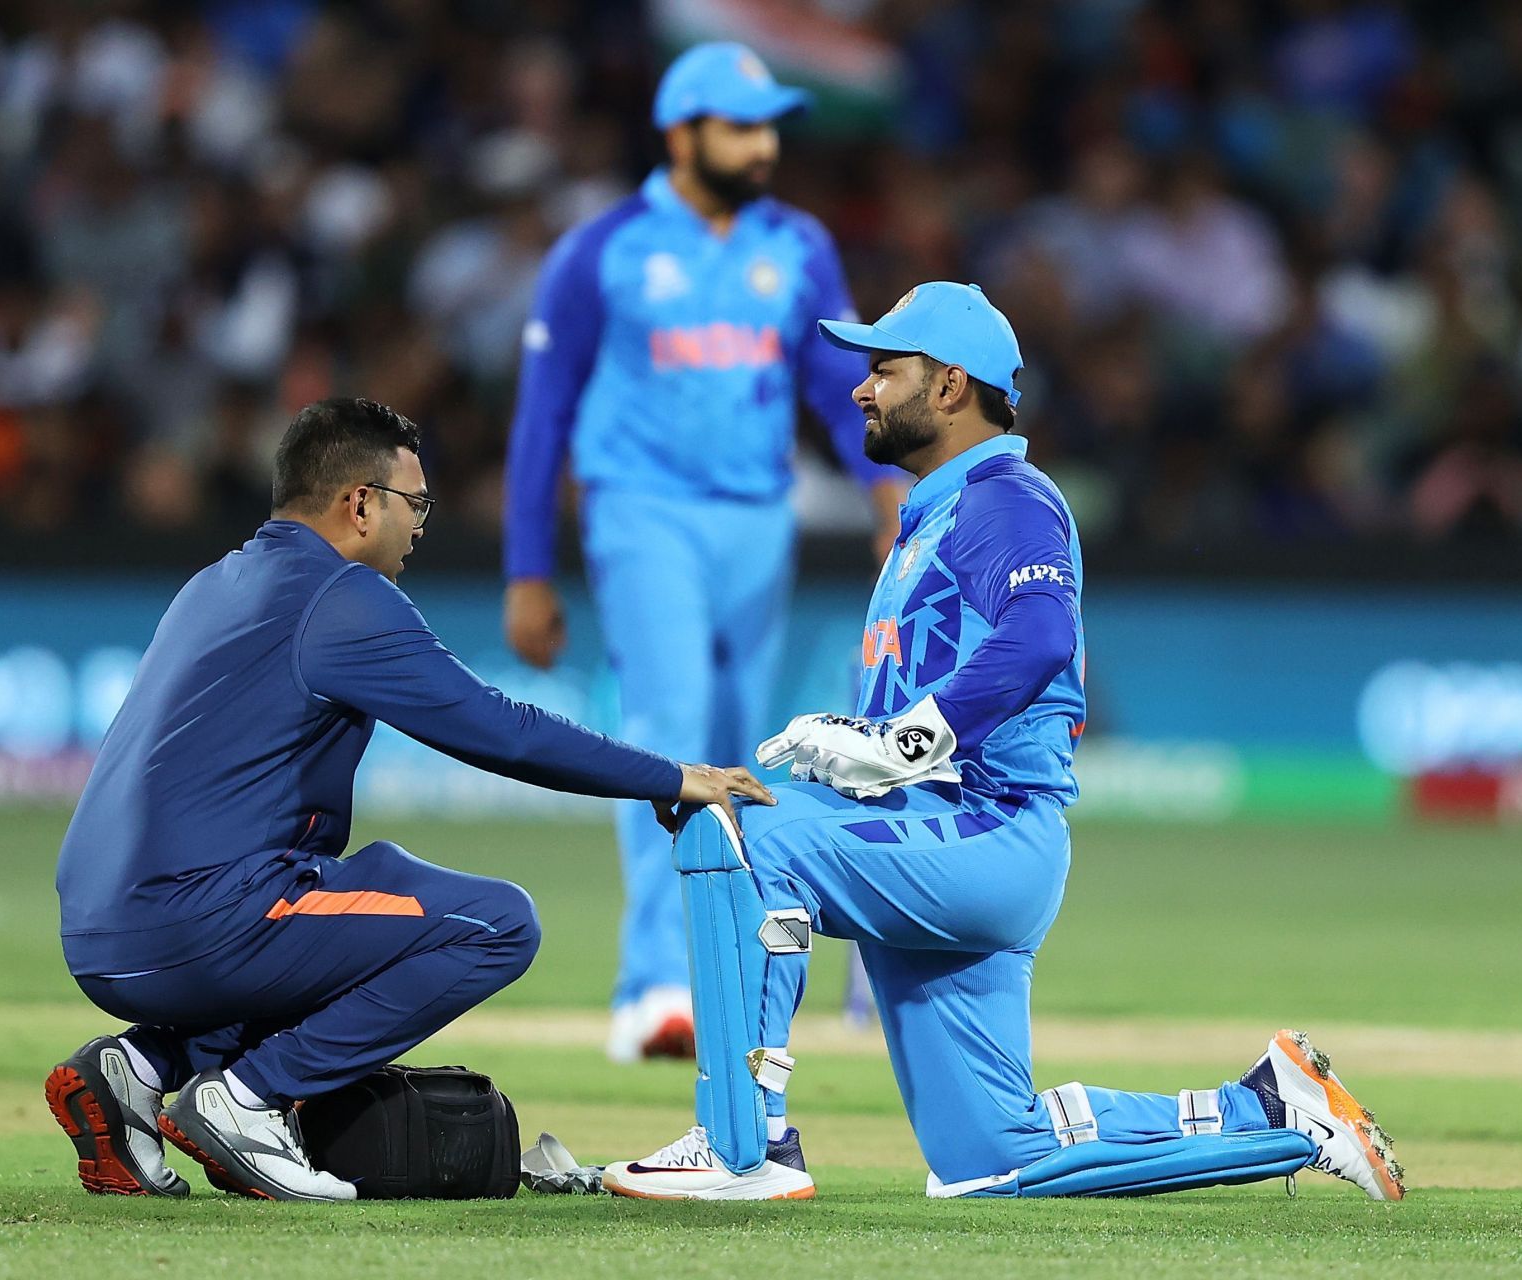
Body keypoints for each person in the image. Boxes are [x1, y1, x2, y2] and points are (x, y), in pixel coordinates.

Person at [602, 284, 1406, 1203]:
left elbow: (1039, 636)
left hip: (984, 834)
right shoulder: (938, 513)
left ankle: (743, 1145)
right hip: (947, 839)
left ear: (950, 387)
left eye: (881, 370)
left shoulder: (1006, 497)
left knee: (742, 839)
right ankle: (1272, 1110)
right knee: (990, 1162)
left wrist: (902, 744)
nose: (861, 391)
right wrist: (867, 744)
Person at [47, 397, 773, 1202]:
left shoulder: (216, 582)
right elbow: (501, 729)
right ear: (360, 504)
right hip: (197, 920)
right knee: (492, 925)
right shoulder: (340, 597)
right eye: (415, 503)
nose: (421, 524)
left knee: (354, 903)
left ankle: (140, 1068)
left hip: (101, 927)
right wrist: (671, 777)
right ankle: (250, 1098)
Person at [501, 42, 905, 1064]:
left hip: (757, 519)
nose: (763, 144)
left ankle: (722, 971)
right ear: (681, 134)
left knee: (736, 743)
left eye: (771, 125)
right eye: (740, 125)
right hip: (641, 511)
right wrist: (527, 569)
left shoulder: (798, 244)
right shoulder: (603, 250)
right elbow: (543, 416)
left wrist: (882, 483)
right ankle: (653, 987)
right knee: (669, 728)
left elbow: (830, 382)